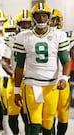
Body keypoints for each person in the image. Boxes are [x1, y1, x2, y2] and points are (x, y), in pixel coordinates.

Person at [13, 3, 70, 135]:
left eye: (44, 16)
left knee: (48, 124)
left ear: (49, 17)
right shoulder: (23, 37)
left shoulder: (59, 35)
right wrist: (16, 90)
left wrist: (65, 78)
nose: (41, 19)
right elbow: (19, 66)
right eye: (38, 16)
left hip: (52, 85)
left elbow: (66, 61)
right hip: (32, 85)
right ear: (33, 18)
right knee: (34, 123)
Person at [49, 8, 70, 135]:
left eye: (53, 19)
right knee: (49, 114)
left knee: (63, 115)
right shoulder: (38, 35)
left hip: (63, 78)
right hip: (48, 80)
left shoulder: (65, 36)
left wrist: (66, 77)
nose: (50, 22)